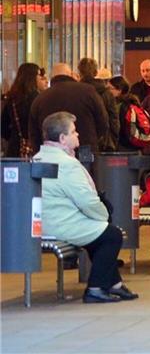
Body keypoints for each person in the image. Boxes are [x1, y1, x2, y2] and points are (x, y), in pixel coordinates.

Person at [35, 112, 139, 303]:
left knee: (98, 236)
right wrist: (104, 215)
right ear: (62, 138)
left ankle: (114, 284)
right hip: (60, 224)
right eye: (74, 132)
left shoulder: (39, 157)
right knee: (111, 235)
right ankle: (96, 288)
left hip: (46, 222)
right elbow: (86, 201)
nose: (78, 135)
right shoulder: (66, 164)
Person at [29, 63, 108, 159]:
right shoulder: (88, 91)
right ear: (70, 74)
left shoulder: (40, 98)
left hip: (52, 158)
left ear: (52, 77)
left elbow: (34, 134)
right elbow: (103, 122)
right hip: (86, 153)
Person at [2, 63, 45, 157]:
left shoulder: (11, 98)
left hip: (15, 147)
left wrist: (15, 135)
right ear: (32, 77)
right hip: (35, 148)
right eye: (39, 75)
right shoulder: (38, 98)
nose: (41, 78)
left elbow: (3, 127)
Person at [77, 57, 120, 150]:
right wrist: (113, 140)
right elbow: (114, 119)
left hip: (79, 141)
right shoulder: (107, 93)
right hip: (103, 143)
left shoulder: (75, 92)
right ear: (96, 72)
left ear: (79, 72)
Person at [107, 76, 143, 152]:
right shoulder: (133, 102)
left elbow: (116, 127)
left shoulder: (119, 106)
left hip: (122, 147)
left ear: (119, 90)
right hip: (134, 146)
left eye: (110, 88)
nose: (107, 91)